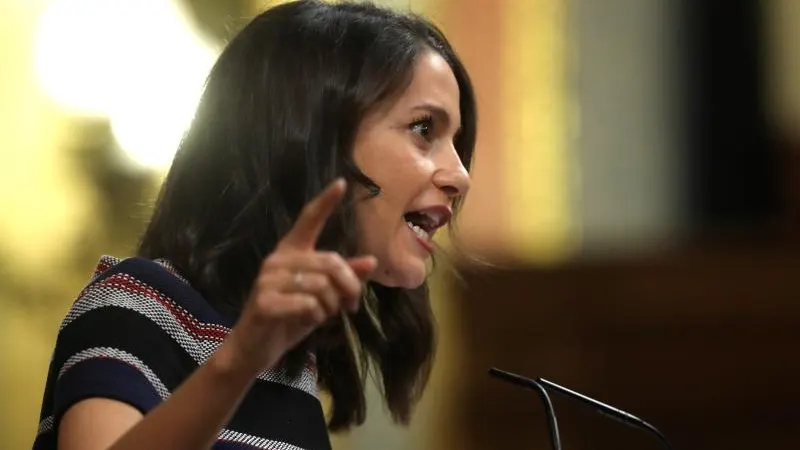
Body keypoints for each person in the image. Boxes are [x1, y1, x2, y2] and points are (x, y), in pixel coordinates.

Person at [32, 1, 476, 449]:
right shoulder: (137, 305)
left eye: (456, 142)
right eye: (423, 129)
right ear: (310, 135)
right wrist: (240, 359)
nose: (460, 175)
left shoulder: (296, 369)